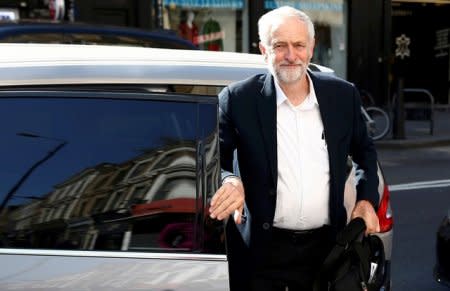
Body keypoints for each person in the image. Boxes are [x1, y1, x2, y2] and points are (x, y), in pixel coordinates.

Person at [208, 6, 380, 291]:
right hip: (261, 253)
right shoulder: (238, 99)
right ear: (264, 50)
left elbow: (365, 152)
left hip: (328, 250)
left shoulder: (342, 96)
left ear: (311, 48)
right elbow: (217, 158)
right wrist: (230, 180)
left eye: (299, 45)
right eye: (280, 46)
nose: (291, 55)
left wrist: (365, 201)